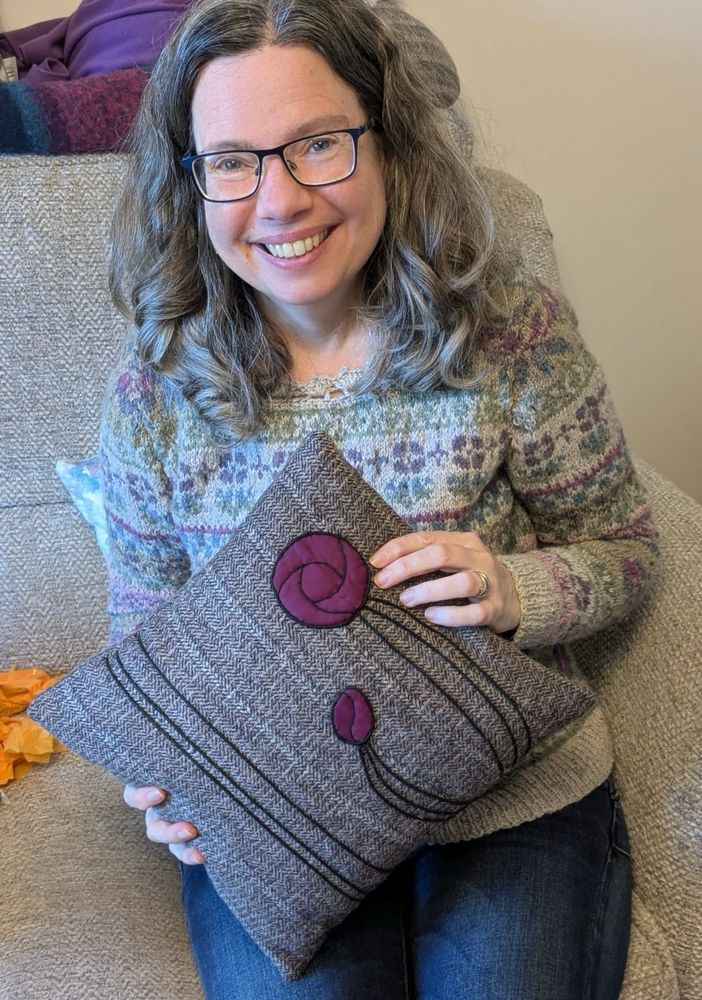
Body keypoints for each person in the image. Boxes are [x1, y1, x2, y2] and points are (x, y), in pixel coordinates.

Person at [102, 0, 658, 996]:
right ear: (189, 181)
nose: (277, 201)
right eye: (230, 160)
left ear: (392, 143)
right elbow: (146, 627)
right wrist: (162, 767)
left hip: (514, 797)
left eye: (318, 144)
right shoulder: (156, 386)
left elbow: (623, 548)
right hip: (277, 814)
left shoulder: (508, 330)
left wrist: (516, 588)